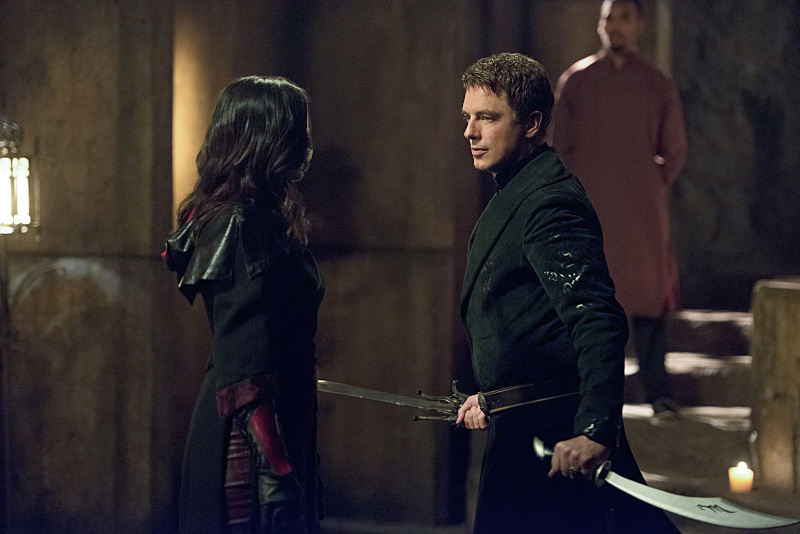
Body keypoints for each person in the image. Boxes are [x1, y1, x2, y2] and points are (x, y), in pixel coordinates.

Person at [455, 53, 677, 533]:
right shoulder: (517, 190)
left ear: (532, 123)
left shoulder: (549, 202)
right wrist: (496, 395)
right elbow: (531, 323)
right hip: (521, 427)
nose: (470, 132)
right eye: (468, 118)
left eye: (487, 118)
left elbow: (598, 321)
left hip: (556, 441)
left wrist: (594, 428)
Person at [164, 75, 324, 534]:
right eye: (296, 129)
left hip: (278, 419)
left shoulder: (263, 216)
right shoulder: (240, 220)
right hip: (250, 434)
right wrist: (276, 467)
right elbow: (244, 362)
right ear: (265, 137)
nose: (306, 144)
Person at [552, 0, 687, 418]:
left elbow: (674, 151)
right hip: (589, 207)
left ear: (640, 25)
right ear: (599, 25)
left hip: (641, 210)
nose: (615, 26)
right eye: (608, 18)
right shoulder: (576, 81)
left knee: (647, 291)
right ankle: (583, 394)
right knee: (587, 297)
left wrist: (647, 180)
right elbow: (560, 148)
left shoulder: (657, 85)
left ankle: (657, 392)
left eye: (624, 18)